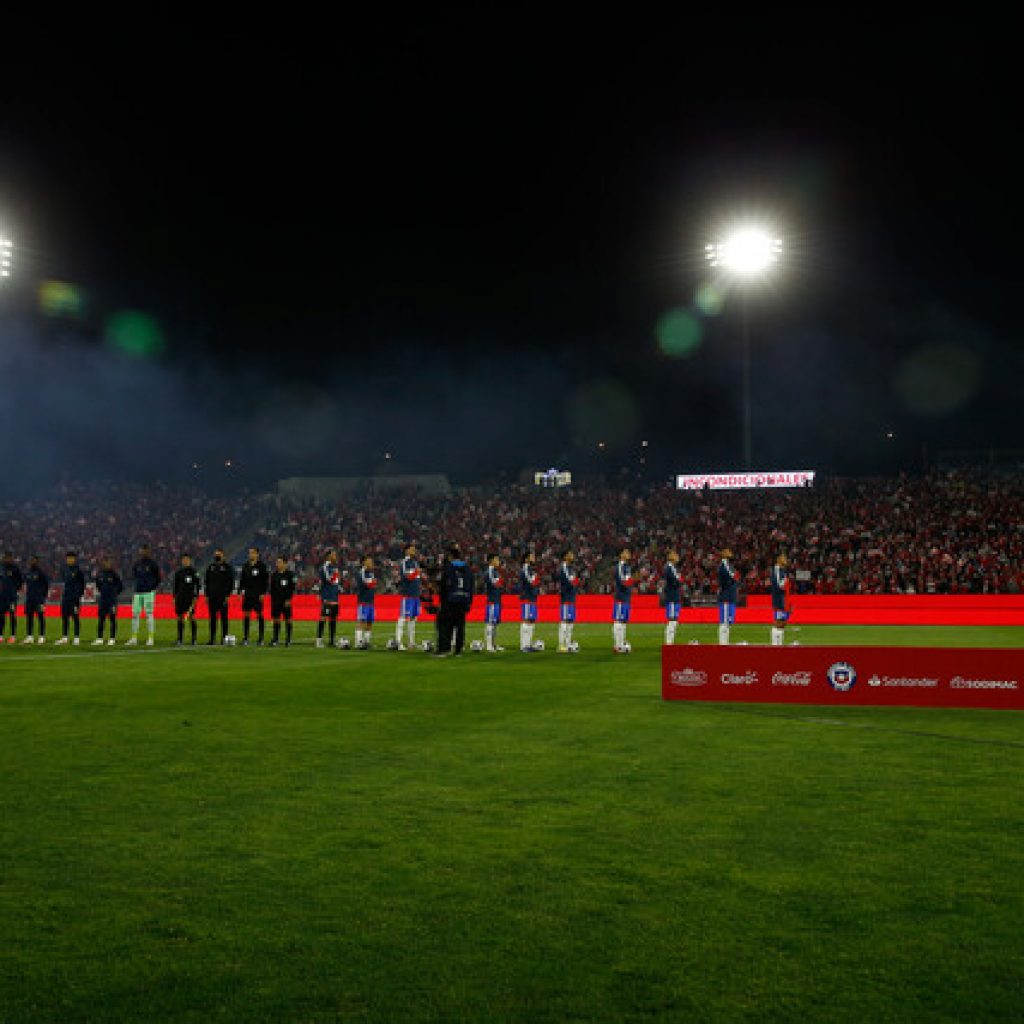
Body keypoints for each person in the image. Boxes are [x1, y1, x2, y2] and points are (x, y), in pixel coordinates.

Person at [436, 545, 474, 656]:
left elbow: (444, 585)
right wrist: (469, 601)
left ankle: (444, 649)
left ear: (450, 556)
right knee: (460, 626)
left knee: (445, 625)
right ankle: (458, 650)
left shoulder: (448, 568)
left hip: (450, 600)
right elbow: (471, 586)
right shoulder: (467, 569)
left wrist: (442, 601)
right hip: (463, 599)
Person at [127, 544, 161, 647]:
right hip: (138, 592)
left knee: (149, 614)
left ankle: (150, 638)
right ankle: (134, 638)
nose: (143, 552)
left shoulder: (152, 564)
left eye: (145, 550)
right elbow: (133, 575)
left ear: (148, 551)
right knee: (135, 615)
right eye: (142, 550)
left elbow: (158, 578)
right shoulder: (137, 564)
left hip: (148, 593)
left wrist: (152, 588)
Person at [238, 546, 270, 646]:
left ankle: (261, 638)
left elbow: (265, 581)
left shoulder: (262, 566)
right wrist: (240, 590)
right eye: (250, 553)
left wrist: (263, 593)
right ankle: (246, 638)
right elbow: (242, 579)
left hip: (257, 594)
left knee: (259, 614)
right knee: (246, 614)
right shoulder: (246, 566)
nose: (250, 555)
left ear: (257, 554)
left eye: (252, 553)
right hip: (247, 594)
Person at [204, 548, 235, 645]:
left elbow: (231, 582)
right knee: (212, 618)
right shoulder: (210, 567)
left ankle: (224, 638)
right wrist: (206, 595)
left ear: (223, 555)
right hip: (212, 596)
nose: (217, 556)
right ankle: (212, 639)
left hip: (223, 596)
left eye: (219, 554)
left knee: (224, 618)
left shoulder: (227, 568)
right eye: (216, 554)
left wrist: (228, 595)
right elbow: (207, 582)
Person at [395, 543, 421, 650]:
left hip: (415, 594)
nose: (414, 551)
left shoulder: (415, 562)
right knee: (403, 617)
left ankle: (411, 642)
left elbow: (416, 578)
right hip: (408, 594)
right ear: (406, 551)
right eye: (412, 549)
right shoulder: (405, 562)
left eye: (414, 549)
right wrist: (416, 572)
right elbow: (408, 576)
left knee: (413, 618)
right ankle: (398, 642)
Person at [57, 551, 86, 645]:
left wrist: (78, 595)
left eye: (71, 558)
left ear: (75, 559)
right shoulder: (65, 570)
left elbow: (82, 584)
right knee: (65, 617)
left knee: (75, 617)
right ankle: (65, 637)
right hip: (66, 597)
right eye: (68, 558)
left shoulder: (78, 571)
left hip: (74, 598)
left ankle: (76, 637)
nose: (69, 560)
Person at [173, 554, 202, 646]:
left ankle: (194, 639)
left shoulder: (194, 572)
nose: (185, 561)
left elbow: (198, 584)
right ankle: (180, 639)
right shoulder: (178, 572)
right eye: (184, 560)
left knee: (192, 617)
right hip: (180, 598)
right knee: (180, 617)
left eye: (187, 560)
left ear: (190, 561)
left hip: (190, 598)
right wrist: (174, 596)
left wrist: (196, 595)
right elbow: (175, 586)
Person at [93, 557, 124, 645]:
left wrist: (114, 593)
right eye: (104, 562)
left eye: (108, 562)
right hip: (103, 600)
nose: (106, 564)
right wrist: (103, 592)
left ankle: (112, 638)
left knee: (112, 618)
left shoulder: (114, 574)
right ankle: (99, 638)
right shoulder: (100, 574)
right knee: (101, 619)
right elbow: (98, 585)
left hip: (112, 600)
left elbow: (120, 586)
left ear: (110, 563)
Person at [316, 549, 342, 649]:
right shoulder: (325, 567)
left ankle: (332, 640)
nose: (336, 556)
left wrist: (338, 588)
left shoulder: (334, 567)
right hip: (327, 596)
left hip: (334, 596)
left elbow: (335, 582)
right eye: (334, 554)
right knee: (323, 617)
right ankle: (319, 640)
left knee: (333, 618)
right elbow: (329, 579)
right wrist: (336, 575)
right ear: (328, 556)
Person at [269, 555, 296, 646]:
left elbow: (292, 588)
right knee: (276, 619)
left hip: (286, 601)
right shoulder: (274, 575)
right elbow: (271, 588)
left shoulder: (290, 575)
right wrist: (272, 600)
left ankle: (288, 639)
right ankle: (275, 639)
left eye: (280, 562)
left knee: (288, 619)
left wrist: (289, 599)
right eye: (277, 562)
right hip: (276, 601)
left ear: (285, 563)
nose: (278, 564)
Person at [22, 556, 49, 644]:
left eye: (34, 560)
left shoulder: (41, 573)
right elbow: (26, 584)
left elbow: (46, 585)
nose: (32, 562)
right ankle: (30, 636)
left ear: (37, 562)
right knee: (29, 618)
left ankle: (41, 636)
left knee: (40, 617)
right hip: (29, 599)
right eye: (31, 560)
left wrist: (43, 597)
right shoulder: (28, 572)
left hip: (39, 599)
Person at [612, 547, 634, 653]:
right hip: (621, 597)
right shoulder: (620, 566)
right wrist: (629, 582)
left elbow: (628, 580)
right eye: (625, 552)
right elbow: (622, 581)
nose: (628, 553)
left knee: (624, 622)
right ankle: (617, 645)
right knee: (618, 620)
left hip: (626, 597)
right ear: (621, 554)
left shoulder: (627, 567)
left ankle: (621, 643)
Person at [557, 550, 579, 653]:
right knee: (565, 621)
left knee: (570, 621)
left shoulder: (571, 568)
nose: (572, 556)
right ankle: (561, 645)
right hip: (566, 597)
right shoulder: (564, 568)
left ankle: (568, 643)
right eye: (570, 554)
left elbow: (575, 581)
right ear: (565, 556)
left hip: (571, 597)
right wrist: (574, 582)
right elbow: (570, 582)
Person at [518, 552, 540, 652]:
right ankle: (524, 646)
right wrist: (536, 578)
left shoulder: (530, 569)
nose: (534, 558)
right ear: (526, 559)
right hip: (527, 597)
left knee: (531, 620)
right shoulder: (526, 569)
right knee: (526, 620)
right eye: (532, 557)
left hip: (532, 598)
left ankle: (528, 644)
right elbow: (532, 582)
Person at [0, 551, 23, 644]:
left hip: (12, 597)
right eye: (6, 557)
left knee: (12, 615)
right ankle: (0, 635)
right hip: (1, 596)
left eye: (9, 557)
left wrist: (14, 590)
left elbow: (20, 581)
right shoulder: (1, 567)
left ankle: (12, 636)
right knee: (1, 616)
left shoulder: (15, 568)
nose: (7, 559)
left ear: (11, 558)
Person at [483, 554, 505, 652]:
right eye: (497, 559)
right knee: (490, 623)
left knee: (494, 623)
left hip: (497, 599)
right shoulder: (490, 571)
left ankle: (493, 644)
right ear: (491, 561)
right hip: (492, 600)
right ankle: (488, 645)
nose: (498, 561)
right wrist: (500, 581)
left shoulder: (495, 571)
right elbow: (496, 583)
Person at [355, 555, 377, 649]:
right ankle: (358, 642)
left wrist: (372, 583)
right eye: (369, 561)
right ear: (364, 562)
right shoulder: (361, 572)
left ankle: (367, 641)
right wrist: (372, 583)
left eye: (371, 562)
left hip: (371, 601)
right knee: (361, 621)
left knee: (369, 622)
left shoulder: (371, 573)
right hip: (363, 601)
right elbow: (368, 584)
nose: (371, 563)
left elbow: (373, 584)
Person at [718, 548, 739, 645]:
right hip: (726, 596)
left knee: (729, 622)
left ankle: (725, 642)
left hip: (730, 596)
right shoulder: (724, 565)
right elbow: (733, 577)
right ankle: (723, 644)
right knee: (724, 622)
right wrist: (735, 578)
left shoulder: (729, 566)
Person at [662, 549, 683, 645]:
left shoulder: (672, 568)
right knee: (672, 620)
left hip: (674, 596)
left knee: (674, 620)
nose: (678, 558)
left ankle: (670, 642)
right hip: (672, 597)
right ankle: (669, 642)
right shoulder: (669, 568)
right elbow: (675, 582)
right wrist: (679, 580)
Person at [770, 553, 791, 646]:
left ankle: (779, 643)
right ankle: (776, 644)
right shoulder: (777, 570)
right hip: (779, 598)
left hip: (783, 598)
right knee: (779, 621)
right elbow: (779, 585)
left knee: (783, 621)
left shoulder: (781, 570)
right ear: (779, 560)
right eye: (784, 559)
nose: (786, 561)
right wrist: (785, 583)